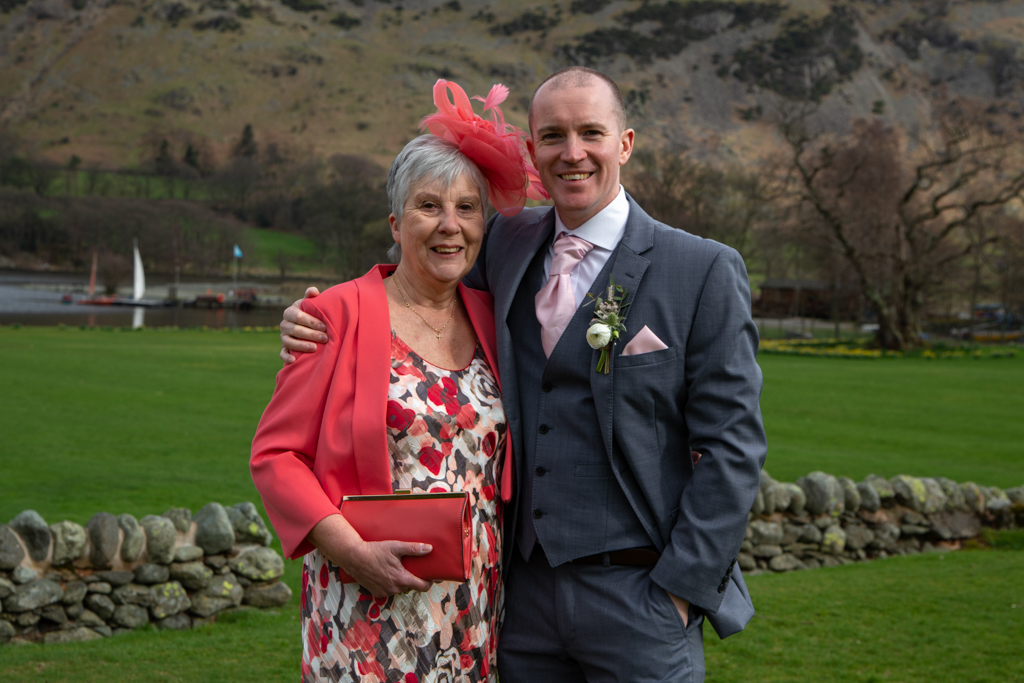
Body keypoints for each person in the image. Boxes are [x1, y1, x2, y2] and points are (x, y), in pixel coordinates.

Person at [281, 67, 767, 683]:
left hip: (643, 599)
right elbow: (423, 283)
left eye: (591, 132)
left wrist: (680, 592)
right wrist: (322, 317)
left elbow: (732, 446)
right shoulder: (505, 243)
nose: (573, 152)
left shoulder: (703, 269)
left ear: (624, 143)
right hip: (519, 603)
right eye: (554, 135)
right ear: (533, 152)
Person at [252, 80, 545, 683]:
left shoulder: (497, 319)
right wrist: (351, 552)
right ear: (395, 221)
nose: (450, 225)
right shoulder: (335, 315)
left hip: (473, 609)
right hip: (365, 604)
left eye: (467, 208)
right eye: (428, 206)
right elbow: (276, 456)